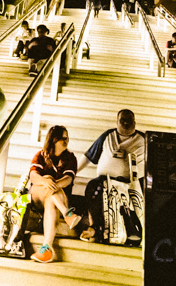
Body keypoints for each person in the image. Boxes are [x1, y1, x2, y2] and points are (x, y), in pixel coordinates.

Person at [78, 110, 146, 243]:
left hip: (131, 185)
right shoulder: (108, 136)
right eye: (122, 120)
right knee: (93, 187)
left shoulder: (143, 139)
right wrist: (72, 172)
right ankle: (94, 227)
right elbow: (88, 156)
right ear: (117, 122)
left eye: (129, 120)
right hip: (104, 182)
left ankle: (134, 232)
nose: (126, 123)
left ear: (134, 122)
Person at [27, 124, 80, 264]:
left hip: (59, 198)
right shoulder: (40, 155)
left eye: (67, 138)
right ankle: (67, 213)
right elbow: (33, 177)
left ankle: (47, 248)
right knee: (47, 178)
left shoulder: (70, 158)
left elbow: (68, 179)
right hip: (38, 197)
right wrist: (46, 182)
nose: (66, 141)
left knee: (51, 198)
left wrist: (54, 185)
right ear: (53, 139)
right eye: (62, 138)